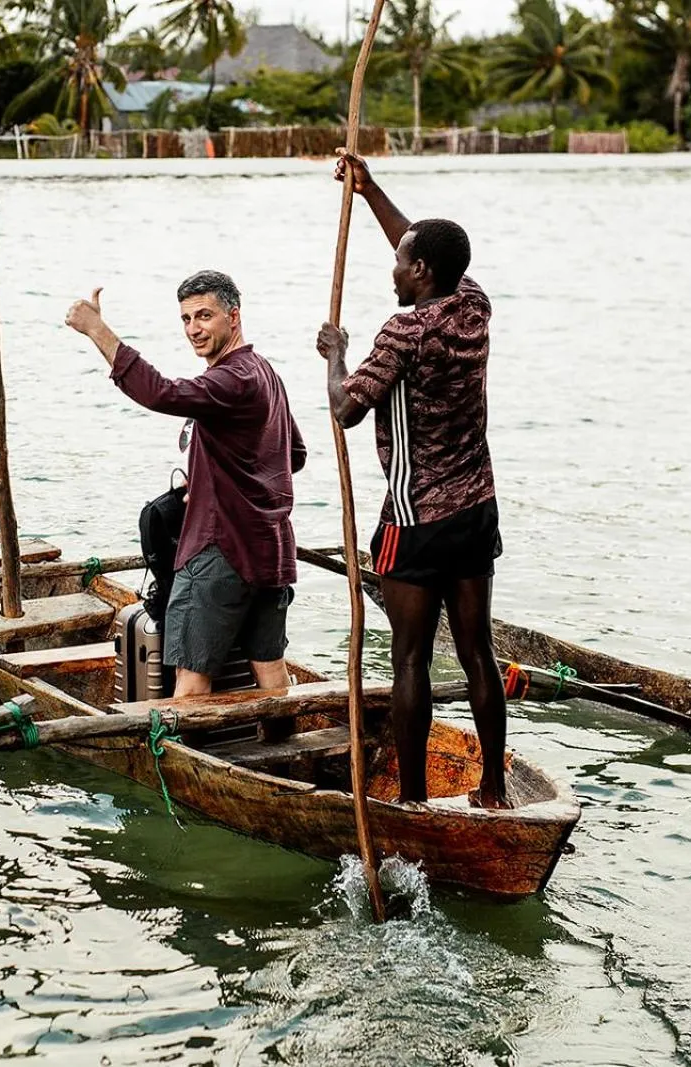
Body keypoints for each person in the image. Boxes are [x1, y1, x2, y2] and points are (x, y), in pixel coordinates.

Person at [315, 152, 510, 809]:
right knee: (477, 651)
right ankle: (492, 789)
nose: (393, 268)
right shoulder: (473, 306)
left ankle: (413, 800)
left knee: (409, 658)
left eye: (401, 262)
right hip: (476, 508)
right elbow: (422, 241)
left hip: (415, 518)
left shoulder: (403, 332)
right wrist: (370, 191)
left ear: (421, 271)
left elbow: (346, 408)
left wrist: (337, 356)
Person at [65, 271, 306, 697]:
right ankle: (283, 740)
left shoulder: (232, 378)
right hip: (269, 549)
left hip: (222, 551)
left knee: (191, 682)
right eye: (186, 319)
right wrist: (216, 480)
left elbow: (161, 393)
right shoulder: (264, 372)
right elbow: (294, 455)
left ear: (234, 317)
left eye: (204, 316)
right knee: (271, 672)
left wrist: (97, 330)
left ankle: (185, 744)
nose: (194, 328)